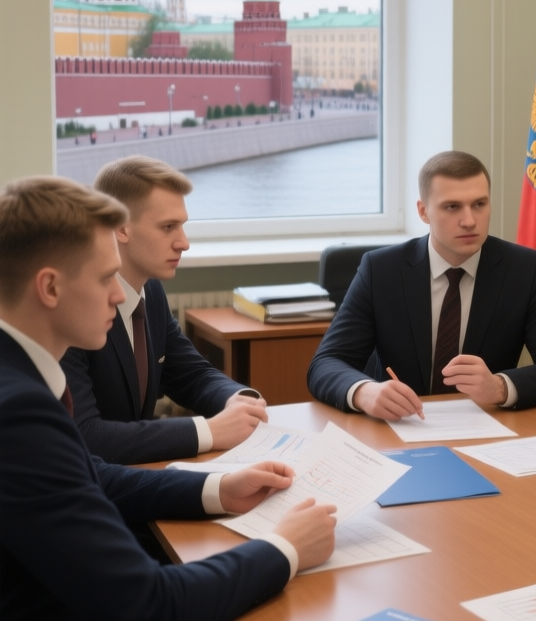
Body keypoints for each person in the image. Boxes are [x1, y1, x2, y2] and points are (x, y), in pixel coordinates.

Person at [0, 176, 336, 620]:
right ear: (50, 288)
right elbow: (150, 603)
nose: (119, 294)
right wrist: (284, 547)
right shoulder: (18, 414)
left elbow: (90, 474)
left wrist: (219, 489)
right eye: (105, 277)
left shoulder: (19, 377)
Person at [308, 150, 536, 420]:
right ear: (423, 211)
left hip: (486, 429)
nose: (469, 221)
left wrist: (499, 387)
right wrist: (364, 392)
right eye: (452, 207)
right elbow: (325, 363)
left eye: (479, 204)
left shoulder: (524, 270)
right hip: (401, 426)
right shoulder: (381, 270)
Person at [61, 156, 269, 465]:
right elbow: (86, 436)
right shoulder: (72, 308)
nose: (184, 243)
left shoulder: (151, 290)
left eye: (182, 226)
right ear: (121, 229)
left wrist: (240, 400)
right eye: (168, 227)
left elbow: (192, 374)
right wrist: (208, 431)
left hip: (138, 475)